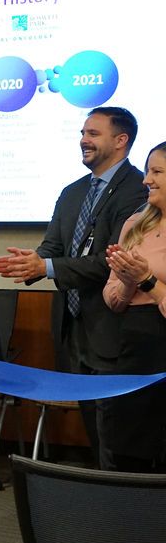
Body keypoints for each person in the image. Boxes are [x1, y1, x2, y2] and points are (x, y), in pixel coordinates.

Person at [0, 106, 147, 464]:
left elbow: (111, 261)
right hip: (71, 327)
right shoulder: (72, 191)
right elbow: (54, 247)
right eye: (82, 133)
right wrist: (31, 263)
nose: (83, 140)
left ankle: (120, 506)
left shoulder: (137, 192)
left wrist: (47, 266)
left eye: (93, 133)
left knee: (117, 432)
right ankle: (97, 499)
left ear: (121, 140)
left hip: (114, 329)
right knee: (92, 425)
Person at [100, 142, 166, 472]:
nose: (145, 180)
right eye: (146, 170)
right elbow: (112, 300)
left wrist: (148, 280)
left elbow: (151, 286)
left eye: (156, 172)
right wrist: (128, 279)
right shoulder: (135, 224)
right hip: (136, 348)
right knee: (129, 448)